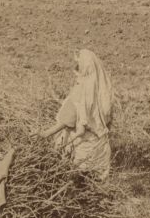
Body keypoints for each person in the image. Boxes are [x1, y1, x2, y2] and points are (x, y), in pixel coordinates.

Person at [42, 49, 115, 177]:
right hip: (100, 149)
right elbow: (108, 122)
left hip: (82, 150)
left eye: (78, 64)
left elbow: (68, 119)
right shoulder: (104, 90)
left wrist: (46, 133)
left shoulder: (81, 89)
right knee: (97, 187)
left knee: (79, 182)